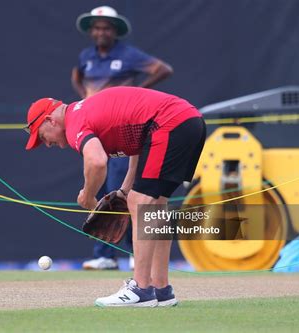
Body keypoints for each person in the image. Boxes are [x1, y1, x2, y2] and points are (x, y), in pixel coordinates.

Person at [24, 86, 206, 307]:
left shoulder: (74, 123)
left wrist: (88, 196)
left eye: (42, 137)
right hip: (188, 122)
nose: (47, 143)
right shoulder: (84, 112)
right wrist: (125, 189)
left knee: (141, 202)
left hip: (170, 123)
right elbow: (140, 146)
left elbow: (96, 161)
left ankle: (141, 289)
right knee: (155, 205)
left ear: (51, 120)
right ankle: (161, 290)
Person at [72, 5, 174, 270]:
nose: (101, 31)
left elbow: (162, 68)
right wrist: (85, 96)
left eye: (106, 27)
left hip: (122, 129)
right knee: (101, 188)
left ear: (114, 31)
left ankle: (132, 251)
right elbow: (77, 75)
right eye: (96, 27)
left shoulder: (127, 54)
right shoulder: (86, 56)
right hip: (96, 130)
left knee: (123, 190)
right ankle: (105, 254)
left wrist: (137, 92)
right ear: (91, 31)